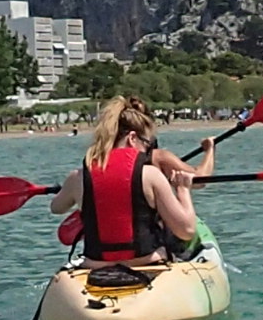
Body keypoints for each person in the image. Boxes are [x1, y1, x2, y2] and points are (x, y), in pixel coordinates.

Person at [55, 95, 202, 265]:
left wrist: (75, 195)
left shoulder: (78, 177)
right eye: (146, 142)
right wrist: (183, 190)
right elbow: (187, 231)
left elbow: (56, 208)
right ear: (132, 138)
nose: (147, 148)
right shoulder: (151, 175)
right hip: (146, 261)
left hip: (95, 264)